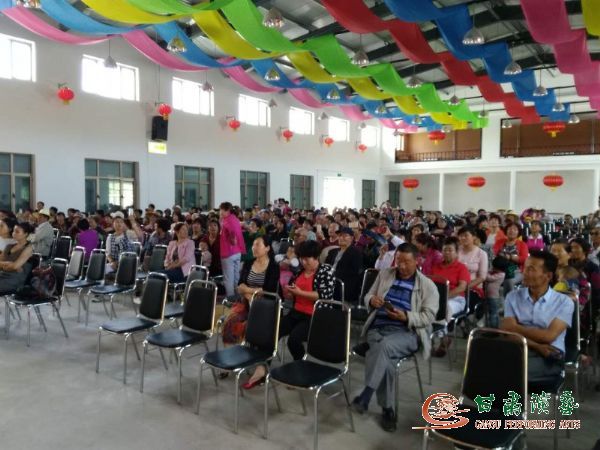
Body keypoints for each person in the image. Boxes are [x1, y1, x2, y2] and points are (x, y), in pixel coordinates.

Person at [352, 243, 438, 432]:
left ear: (417, 261)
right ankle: (387, 410)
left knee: (382, 348)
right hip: (378, 328)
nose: (402, 266)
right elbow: (368, 295)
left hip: (407, 333)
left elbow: (429, 317)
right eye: (399, 261)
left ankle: (367, 394)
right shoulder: (385, 274)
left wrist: (406, 316)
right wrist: (372, 300)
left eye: (407, 262)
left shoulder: (427, 286)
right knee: (387, 359)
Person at [501, 251, 574, 383]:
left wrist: (516, 328)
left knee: (511, 373)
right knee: (487, 363)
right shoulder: (513, 296)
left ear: (548, 276)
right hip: (518, 348)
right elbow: (507, 331)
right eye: (525, 267)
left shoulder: (564, 302)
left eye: (531, 269)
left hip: (548, 355)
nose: (524, 272)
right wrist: (536, 345)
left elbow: (548, 337)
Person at [221, 235, 280, 388]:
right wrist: (251, 294)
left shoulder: (273, 267)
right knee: (229, 322)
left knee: (256, 327)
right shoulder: (248, 263)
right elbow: (240, 285)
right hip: (246, 302)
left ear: (267, 248)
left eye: (258, 245)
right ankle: (229, 359)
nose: (254, 248)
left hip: (265, 307)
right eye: (253, 245)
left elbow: (268, 290)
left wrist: (250, 292)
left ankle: (258, 364)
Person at [280, 240, 335, 361]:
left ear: (316, 257)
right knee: (274, 331)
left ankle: (299, 363)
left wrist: (299, 293)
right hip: (296, 313)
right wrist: (290, 293)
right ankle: (263, 365)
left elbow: (324, 295)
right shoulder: (300, 272)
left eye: (306, 259)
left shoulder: (325, 271)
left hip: (314, 316)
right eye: (301, 258)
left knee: (293, 340)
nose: (303, 262)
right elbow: (293, 291)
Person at [431, 237, 471, 357]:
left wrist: (444, 297)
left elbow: (462, 287)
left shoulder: (461, 267)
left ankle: (443, 338)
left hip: (457, 299)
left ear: (456, 252)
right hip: (437, 299)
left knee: (444, 309)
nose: (447, 252)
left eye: (450, 250)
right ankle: (441, 337)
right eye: (444, 250)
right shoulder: (436, 266)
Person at [325, 226, 363, 304]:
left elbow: (353, 272)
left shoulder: (356, 252)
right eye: (340, 235)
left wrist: (332, 276)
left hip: (344, 284)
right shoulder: (332, 252)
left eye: (345, 236)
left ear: (351, 238)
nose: (341, 238)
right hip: (330, 281)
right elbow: (326, 266)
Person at [493, 222, 528, 296]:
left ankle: (509, 300)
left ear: (518, 232)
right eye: (509, 229)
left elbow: (524, 259)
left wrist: (510, 257)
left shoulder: (522, 244)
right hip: (499, 269)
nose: (512, 231)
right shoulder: (499, 242)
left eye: (515, 229)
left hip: (517, 271)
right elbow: (494, 253)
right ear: (506, 231)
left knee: (509, 280)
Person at [219, 202, 246, 297]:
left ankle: (230, 300)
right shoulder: (235, 218)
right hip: (237, 252)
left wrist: (233, 239)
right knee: (236, 277)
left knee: (228, 278)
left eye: (222, 210)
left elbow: (232, 232)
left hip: (228, 252)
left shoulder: (227, 220)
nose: (221, 212)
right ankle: (238, 297)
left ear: (227, 210)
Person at [0, 222, 34, 294]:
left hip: (15, 279)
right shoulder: (9, 246)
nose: (14, 233)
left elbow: (15, 266)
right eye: (13, 231)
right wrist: (8, 264)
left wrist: (5, 266)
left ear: (25, 234)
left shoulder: (29, 248)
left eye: (17, 232)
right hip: (3, 274)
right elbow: (15, 267)